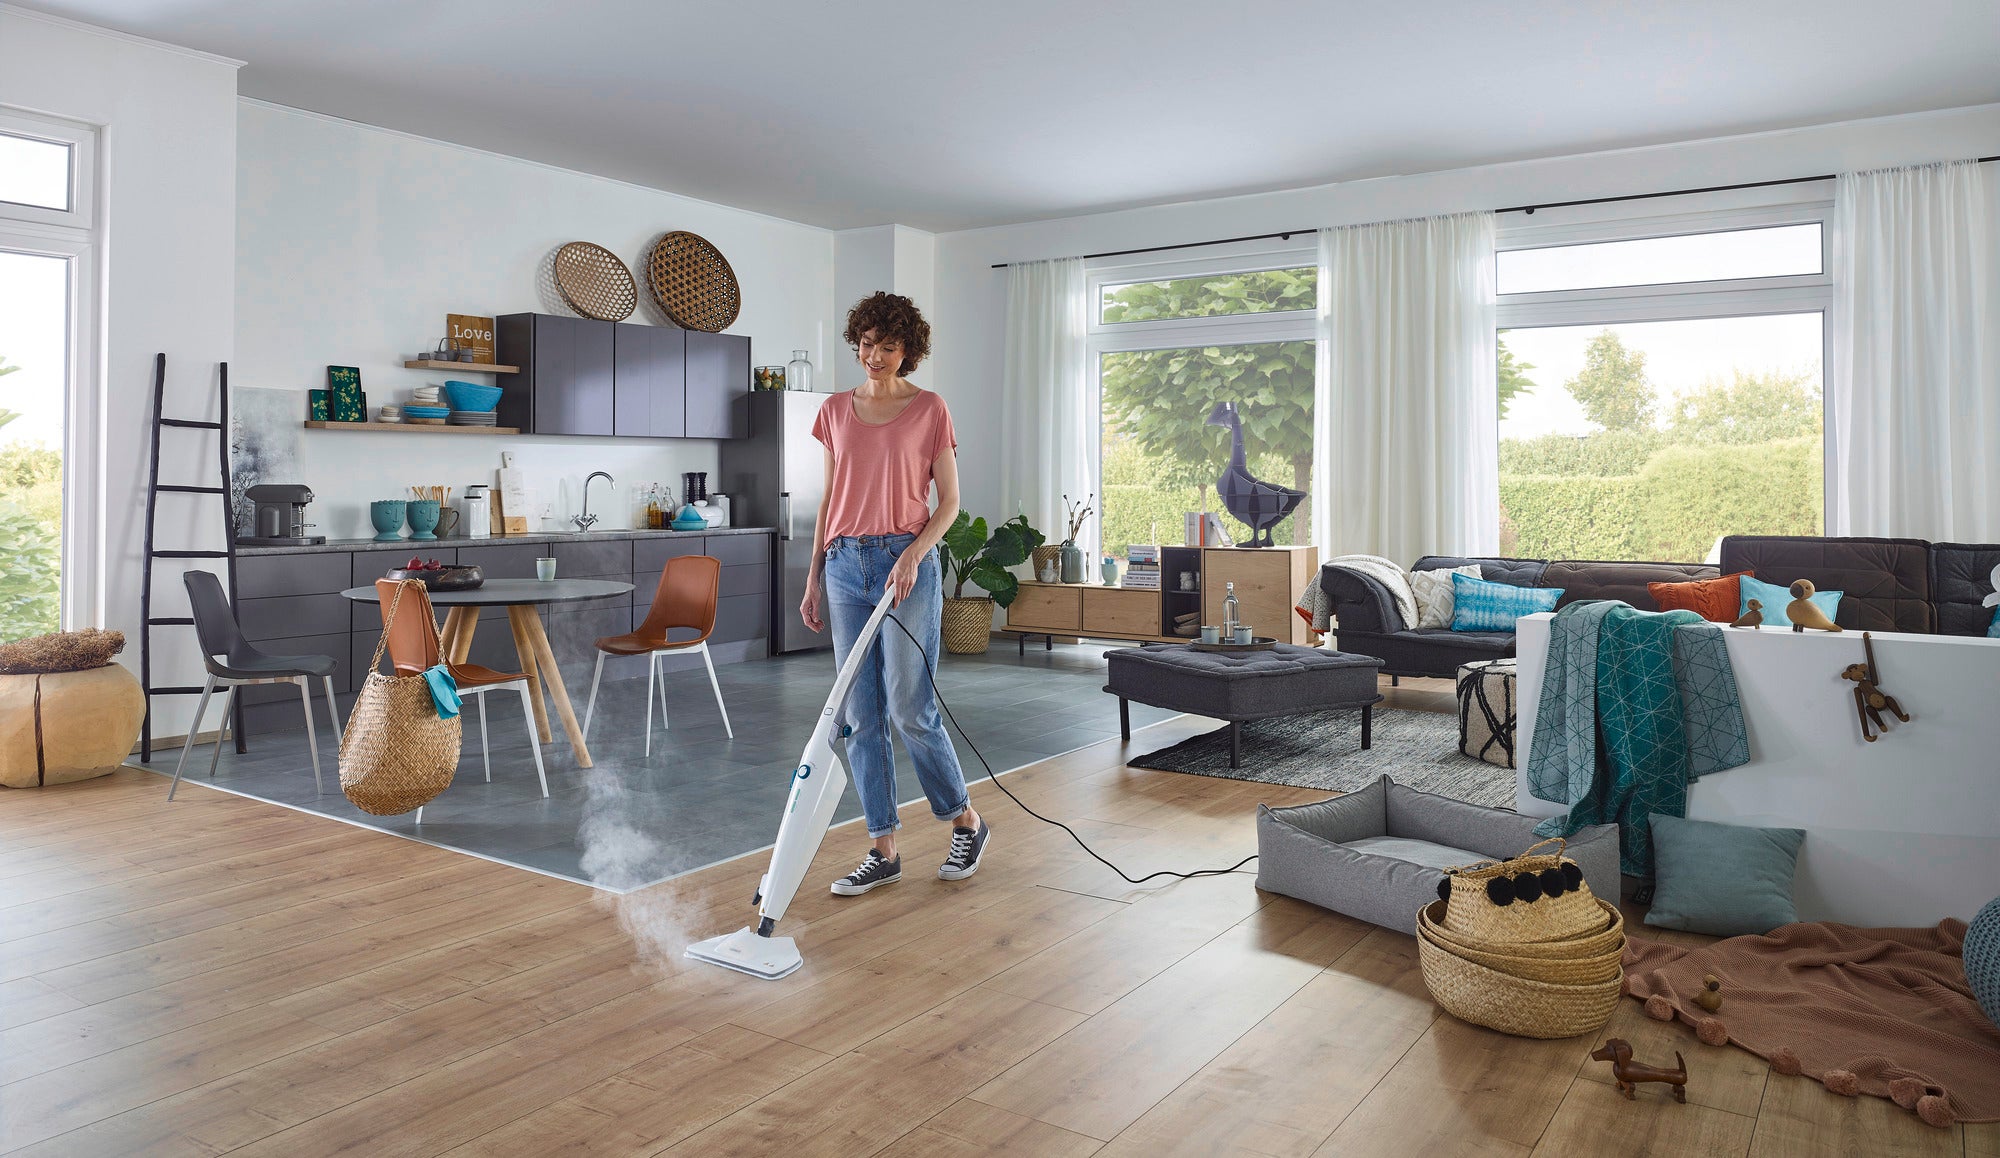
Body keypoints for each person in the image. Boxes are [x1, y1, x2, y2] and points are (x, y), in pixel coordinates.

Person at [800, 291, 989, 896]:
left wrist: (914, 554)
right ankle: (883, 847)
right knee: (859, 716)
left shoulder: (930, 409)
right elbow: (829, 501)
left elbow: (950, 503)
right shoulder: (834, 410)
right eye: (866, 344)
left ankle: (965, 820)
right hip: (844, 566)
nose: (874, 356)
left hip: (905, 563)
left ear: (908, 350)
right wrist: (813, 575)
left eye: (887, 346)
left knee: (910, 707)